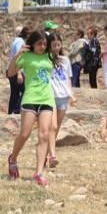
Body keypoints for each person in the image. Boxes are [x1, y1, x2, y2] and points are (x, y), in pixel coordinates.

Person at [6, 30, 56, 187]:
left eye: (44, 44)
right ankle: (13, 158)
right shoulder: (26, 57)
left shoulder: (49, 57)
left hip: (47, 98)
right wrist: (17, 55)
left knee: (44, 135)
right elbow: (10, 73)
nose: (42, 46)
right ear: (32, 43)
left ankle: (39, 172)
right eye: (39, 43)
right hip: (30, 98)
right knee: (25, 133)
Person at [47, 32, 75, 169]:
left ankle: (46, 154)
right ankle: (53, 156)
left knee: (56, 128)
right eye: (54, 45)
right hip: (51, 96)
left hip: (63, 97)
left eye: (58, 44)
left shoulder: (65, 60)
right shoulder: (45, 59)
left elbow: (68, 78)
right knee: (51, 127)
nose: (56, 47)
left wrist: (71, 94)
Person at [6, 25, 29, 114]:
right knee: (26, 90)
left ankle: (11, 111)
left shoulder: (15, 41)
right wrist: (19, 73)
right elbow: (18, 57)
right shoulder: (20, 42)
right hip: (16, 71)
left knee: (14, 93)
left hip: (12, 70)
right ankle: (16, 110)